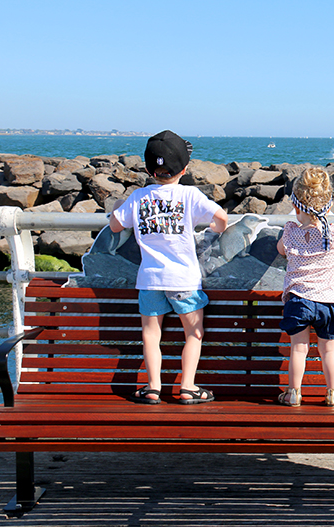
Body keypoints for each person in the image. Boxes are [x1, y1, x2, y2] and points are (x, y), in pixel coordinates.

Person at [110, 130, 228, 405]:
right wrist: (216, 228)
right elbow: (221, 216)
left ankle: (153, 388)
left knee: (151, 335)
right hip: (184, 279)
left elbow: (116, 225)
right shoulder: (190, 195)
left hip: (150, 279)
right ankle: (187, 386)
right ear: (184, 169)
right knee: (193, 333)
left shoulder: (138, 197)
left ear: (149, 169)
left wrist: (119, 205)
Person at [276, 167, 334, 407]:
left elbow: (281, 250)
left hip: (300, 300)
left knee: (298, 349)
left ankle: (293, 392)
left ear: (296, 207)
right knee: (328, 351)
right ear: (328, 207)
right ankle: (333, 393)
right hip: (330, 301)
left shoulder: (290, 231)